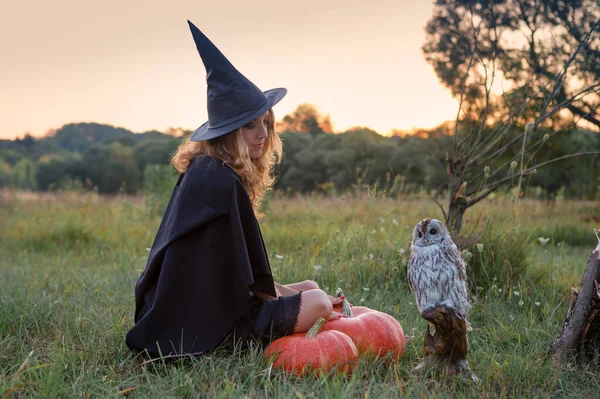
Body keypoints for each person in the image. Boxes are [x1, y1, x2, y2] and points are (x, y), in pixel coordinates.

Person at [125, 20, 344, 358]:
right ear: (226, 131)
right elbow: (252, 289)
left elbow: (239, 276)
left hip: (188, 308)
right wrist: (314, 304)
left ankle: (310, 301)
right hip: (205, 324)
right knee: (315, 299)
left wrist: (297, 295)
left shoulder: (207, 170)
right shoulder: (221, 182)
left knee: (311, 288)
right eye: (249, 125)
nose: (261, 134)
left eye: (265, 123)